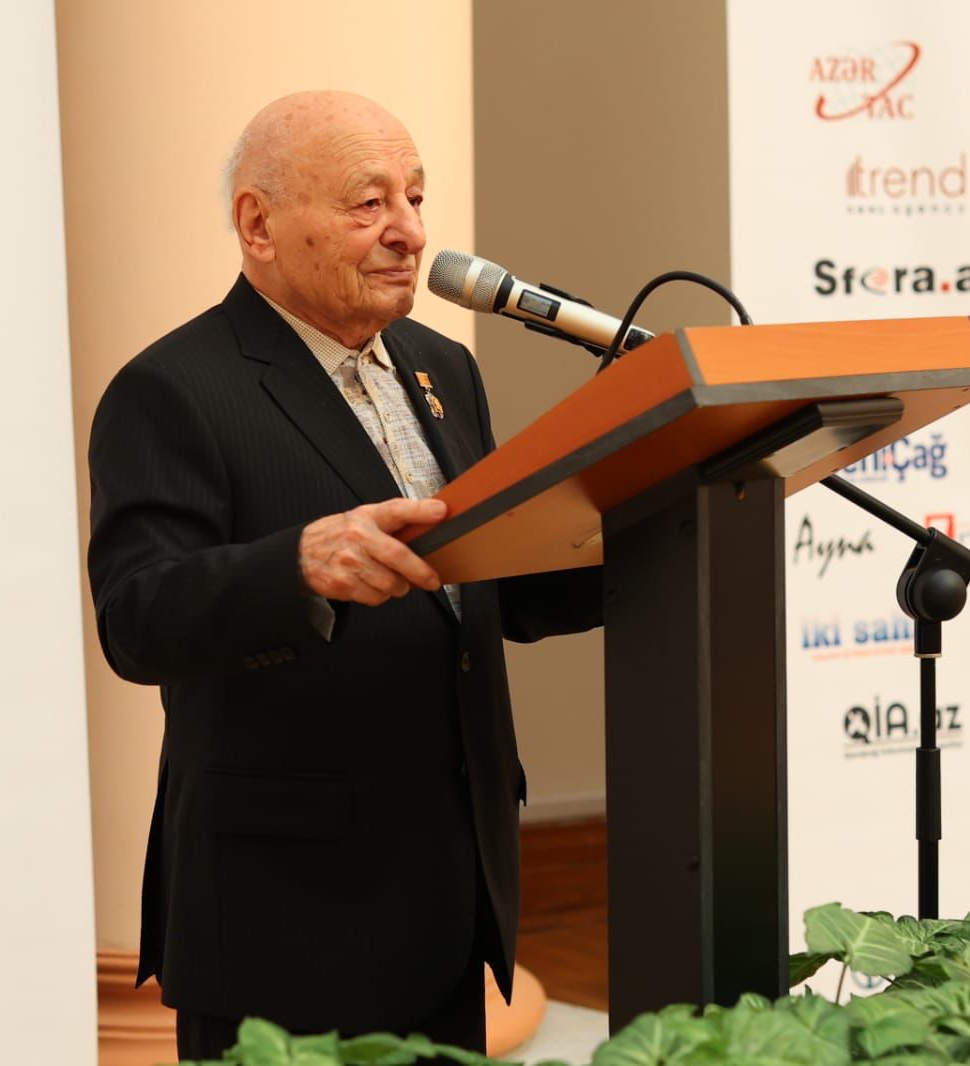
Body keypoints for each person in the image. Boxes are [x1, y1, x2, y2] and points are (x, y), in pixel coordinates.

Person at [86, 91, 602, 1060]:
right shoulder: (174, 388)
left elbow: (488, 588)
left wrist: (640, 528)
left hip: (449, 890)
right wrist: (295, 567)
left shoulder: (441, 365)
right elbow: (137, 617)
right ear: (258, 224)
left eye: (415, 197)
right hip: (284, 912)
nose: (409, 232)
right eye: (369, 204)